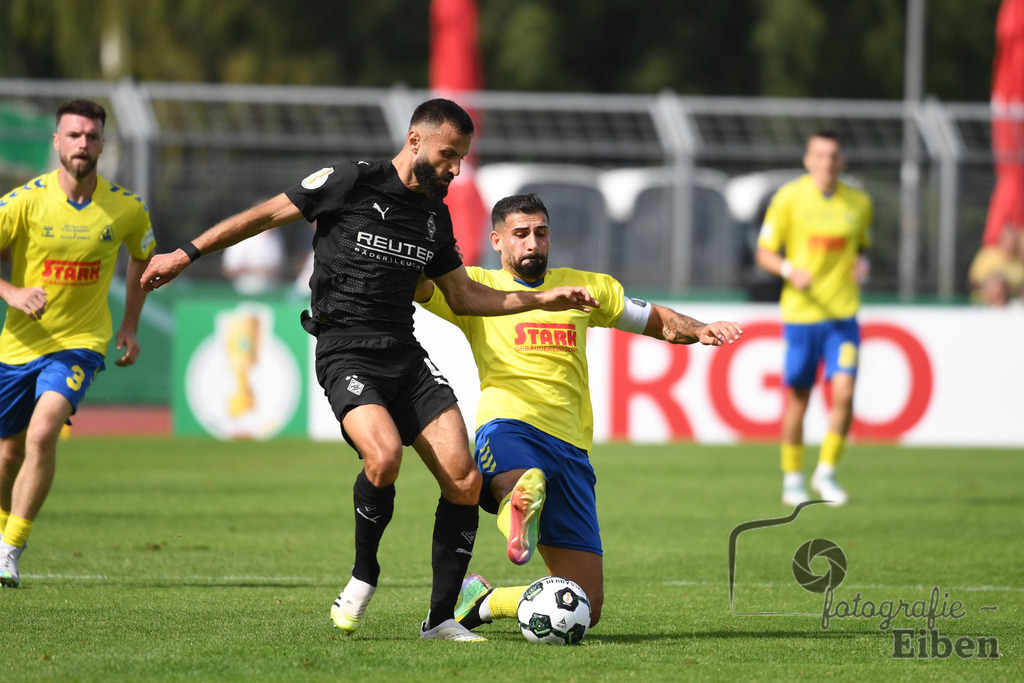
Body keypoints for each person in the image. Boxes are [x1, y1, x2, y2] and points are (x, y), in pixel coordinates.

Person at [138, 99, 598, 642]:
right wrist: (185, 253)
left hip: (404, 353)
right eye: (448, 155)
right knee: (383, 458)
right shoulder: (350, 181)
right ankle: (363, 576)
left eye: (461, 158)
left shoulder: (434, 215)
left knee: (464, 478)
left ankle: (441, 618)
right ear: (415, 141)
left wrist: (541, 300)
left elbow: (465, 296)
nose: (455, 168)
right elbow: (262, 216)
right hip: (345, 350)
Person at [413, 192, 743, 630]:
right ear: (496, 240)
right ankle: (518, 509)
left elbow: (656, 321)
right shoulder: (474, 287)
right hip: (509, 424)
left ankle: (484, 602)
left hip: (571, 448)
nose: (533, 243)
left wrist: (701, 329)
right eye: (521, 234)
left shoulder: (585, 287)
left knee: (586, 605)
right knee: (521, 482)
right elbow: (417, 284)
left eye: (541, 232)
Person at [0, 99, 156, 587]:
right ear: (57, 142)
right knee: (6, 455)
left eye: (91, 136)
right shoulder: (24, 201)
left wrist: (129, 325)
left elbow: (143, 258)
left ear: (103, 144)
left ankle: (10, 549)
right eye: (73, 135)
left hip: (80, 343)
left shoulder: (127, 208)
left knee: (43, 432)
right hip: (18, 346)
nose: (82, 144)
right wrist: (12, 292)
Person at [754, 130, 873, 507]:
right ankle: (792, 477)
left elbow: (862, 249)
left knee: (845, 392)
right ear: (808, 159)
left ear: (842, 160)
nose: (826, 162)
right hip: (802, 315)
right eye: (819, 155)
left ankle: (827, 471)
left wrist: (862, 265)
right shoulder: (789, 198)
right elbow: (764, 252)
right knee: (799, 400)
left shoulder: (858, 202)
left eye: (833, 155)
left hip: (842, 315)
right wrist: (790, 270)